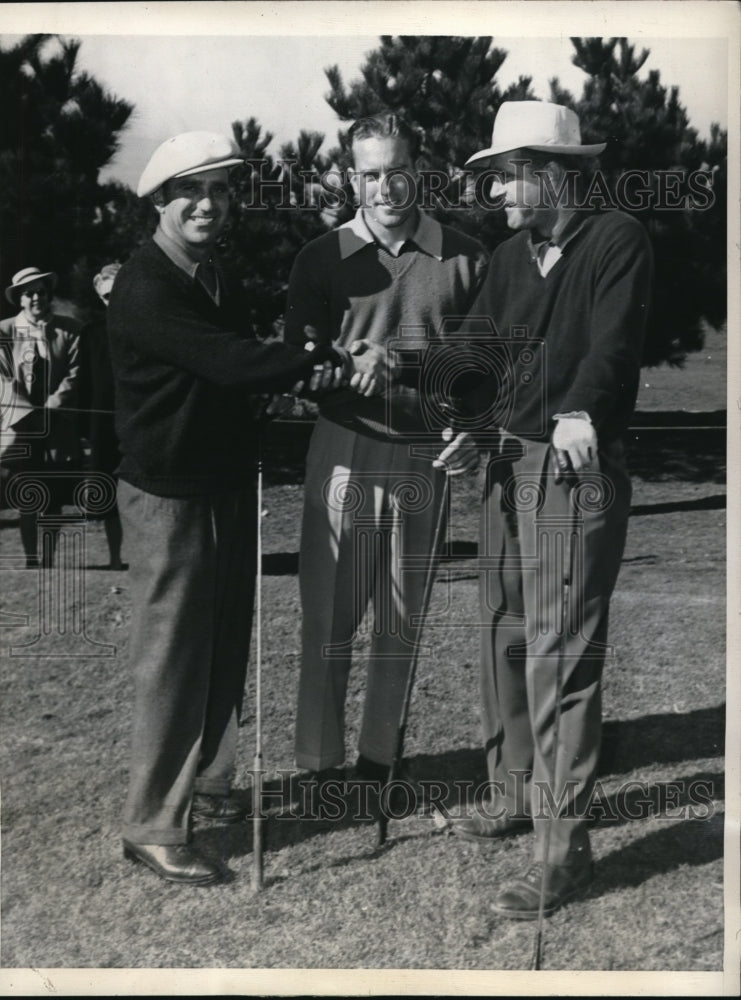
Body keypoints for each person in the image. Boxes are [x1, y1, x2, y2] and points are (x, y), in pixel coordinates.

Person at [108, 130, 386, 885]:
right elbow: (230, 361)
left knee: (225, 645)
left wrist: (314, 376)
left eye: (222, 190)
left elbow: (244, 373)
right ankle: (151, 825)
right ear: (159, 201)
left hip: (224, 484)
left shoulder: (212, 274)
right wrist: (330, 359)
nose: (208, 205)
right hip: (168, 498)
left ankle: (208, 782)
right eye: (191, 191)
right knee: (173, 661)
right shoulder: (147, 286)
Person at [446, 101, 653, 918]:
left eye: (505, 175)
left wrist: (580, 407)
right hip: (504, 459)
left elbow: (613, 343)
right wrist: (461, 417)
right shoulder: (508, 255)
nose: (496, 191)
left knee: (559, 655)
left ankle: (560, 854)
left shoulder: (616, 239)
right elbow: (475, 350)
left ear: (554, 174)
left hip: (574, 464)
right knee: (503, 632)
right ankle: (510, 794)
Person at [284, 112, 486, 799]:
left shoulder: (466, 254)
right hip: (343, 446)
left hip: (426, 454)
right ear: (350, 176)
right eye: (368, 173)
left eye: (396, 170)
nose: (383, 187)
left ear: (419, 171)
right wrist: (342, 364)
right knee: (329, 617)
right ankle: (317, 763)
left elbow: (482, 364)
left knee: (400, 618)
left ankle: (379, 759)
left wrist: (410, 371)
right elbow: (297, 363)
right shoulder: (320, 257)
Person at [0, 267, 81, 568]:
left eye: (41, 292)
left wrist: (51, 406)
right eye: (29, 293)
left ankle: (48, 558)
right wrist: (27, 414)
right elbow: (0, 376)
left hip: (57, 425)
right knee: (28, 495)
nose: (36, 298)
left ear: (48, 296)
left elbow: (75, 375)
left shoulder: (68, 329)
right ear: (19, 299)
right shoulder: (4, 330)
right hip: (22, 426)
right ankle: (31, 558)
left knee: (54, 496)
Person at [79, 263, 124, 570]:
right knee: (108, 494)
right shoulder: (92, 333)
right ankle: (114, 558)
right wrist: (85, 428)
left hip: (143, 420)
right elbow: (83, 383)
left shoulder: (149, 325)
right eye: (107, 296)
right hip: (103, 424)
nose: (113, 301)